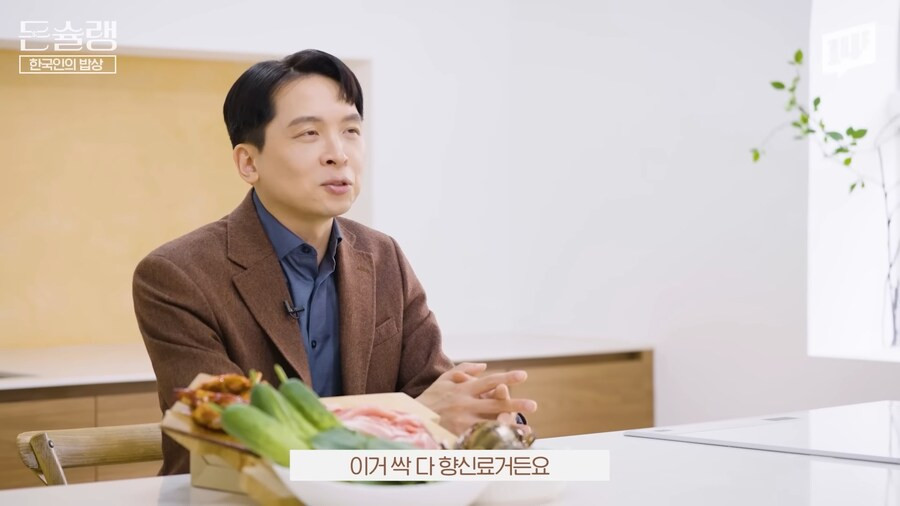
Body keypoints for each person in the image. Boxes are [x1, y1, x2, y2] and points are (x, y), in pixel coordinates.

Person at [132, 49, 537, 475]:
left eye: (351, 131)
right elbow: (237, 431)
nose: (338, 154)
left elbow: (431, 386)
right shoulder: (176, 274)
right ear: (249, 162)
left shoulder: (383, 256)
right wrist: (415, 416)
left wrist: (484, 413)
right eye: (309, 133)